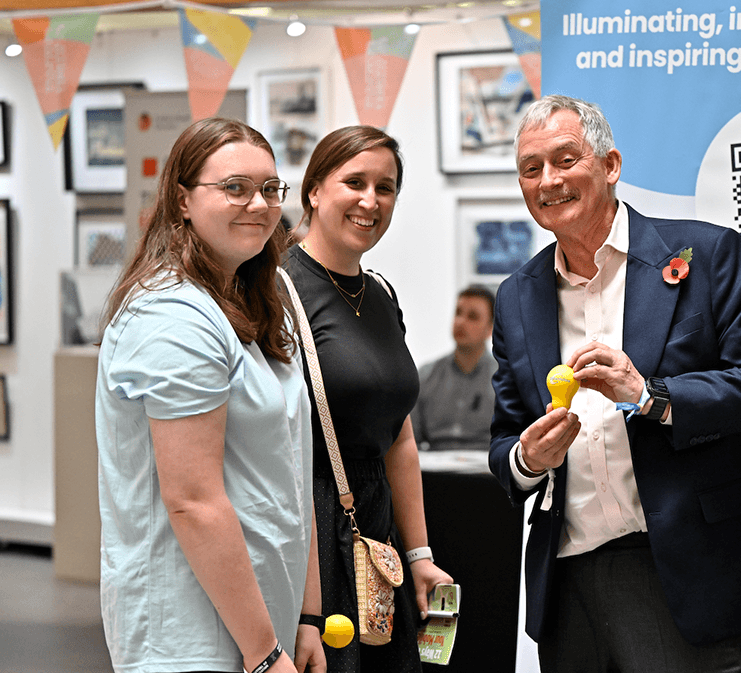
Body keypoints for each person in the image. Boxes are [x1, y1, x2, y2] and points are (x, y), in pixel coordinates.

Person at [488, 95, 741, 673]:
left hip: (682, 570)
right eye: (531, 169)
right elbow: (506, 440)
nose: (548, 180)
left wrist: (650, 395)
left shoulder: (706, 256)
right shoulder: (516, 296)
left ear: (610, 165)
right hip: (567, 584)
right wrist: (528, 459)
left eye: (565, 160)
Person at [95, 117, 324, 673]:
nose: (259, 205)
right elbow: (192, 502)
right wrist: (263, 652)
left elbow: (293, 471)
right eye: (235, 188)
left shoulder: (255, 305)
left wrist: (306, 615)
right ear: (182, 201)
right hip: (189, 638)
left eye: (270, 188)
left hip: (263, 621)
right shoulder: (170, 315)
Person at [282, 125, 453, 673]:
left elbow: (399, 437)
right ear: (314, 190)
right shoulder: (279, 290)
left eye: (386, 187)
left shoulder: (380, 292)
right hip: (311, 522)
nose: (370, 201)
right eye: (354, 182)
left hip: (375, 530)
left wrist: (419, 554)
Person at [412, 286, 497, 451]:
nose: (460, 322)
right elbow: (411, 440)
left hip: (488, 464)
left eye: (472, 316)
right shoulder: (426, 375)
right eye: (458, 313)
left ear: (490, 328)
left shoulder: (505, 379)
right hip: (434, 464)